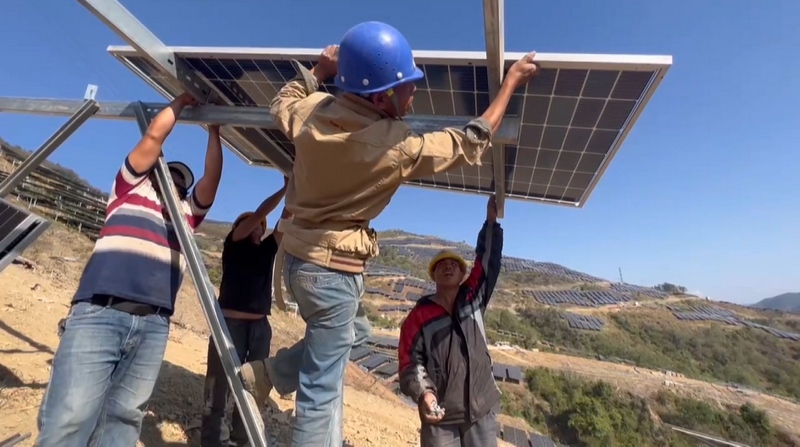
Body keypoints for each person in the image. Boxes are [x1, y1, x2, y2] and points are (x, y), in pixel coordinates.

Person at [238, 21, 539, 447]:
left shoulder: (310, 114)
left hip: (296, 262)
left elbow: (281, 101)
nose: (414, 93)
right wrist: (509, 83)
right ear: (381, 97)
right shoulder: (396, 146)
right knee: (321, 394)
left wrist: (317, 71)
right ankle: (271, 376)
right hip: (332, 273)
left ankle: (269, 374)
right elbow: (471, 141)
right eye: (407, 86)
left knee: (355, 336)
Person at [36, 92, 223, 447]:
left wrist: (214, 131)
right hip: (100, 312)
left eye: (183, 183)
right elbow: (153, 137)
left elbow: (211, 180)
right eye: (171, 176)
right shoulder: (129, 188)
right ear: (155, 173)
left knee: (123, 421)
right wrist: (181, 102)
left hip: (153, 325)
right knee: (70, 417)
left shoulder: (186, 217)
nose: (178, 184)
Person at [398, 195, 503, 447]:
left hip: (481, 410)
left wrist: (490, 222)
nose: (447, 266)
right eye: (441, 265)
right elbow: (410, 363)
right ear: (433, 274)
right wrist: (425, 394)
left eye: (453, 264)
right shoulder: (418, 317)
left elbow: (488, 262)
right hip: (440, 417)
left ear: (462, 273)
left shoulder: (473, 298)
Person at [200, 180, 289, 447]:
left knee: (252, 387)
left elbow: (287, 218)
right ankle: (212, 441)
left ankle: (241, 437)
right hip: (229, 325)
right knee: (218, 387)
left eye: (259, 224)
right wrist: (284, 189)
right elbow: (263, 212)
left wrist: (295, 190)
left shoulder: (267, 249)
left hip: (259, 329)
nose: (257, 224)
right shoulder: (234, 243)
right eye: (247, 221)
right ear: (237, 228)